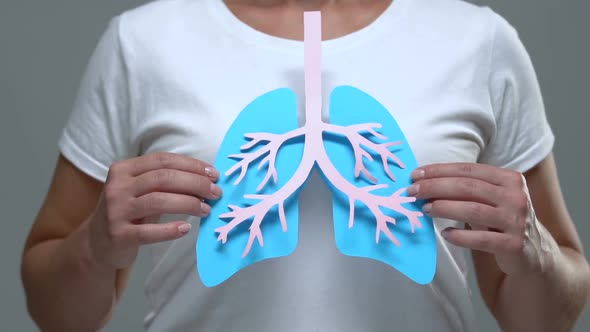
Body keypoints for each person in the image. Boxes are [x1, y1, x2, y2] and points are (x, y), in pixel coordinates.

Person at [20, 0, 590, 331]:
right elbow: (53, 310)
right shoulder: (143, 41)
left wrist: (535, 254)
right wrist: (95, 246)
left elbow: (546, 313)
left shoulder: (478, 41)